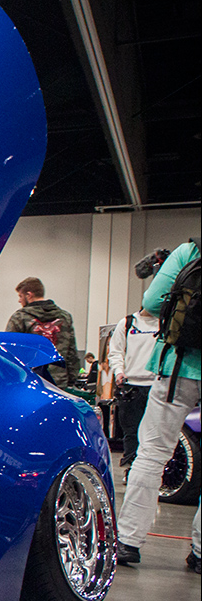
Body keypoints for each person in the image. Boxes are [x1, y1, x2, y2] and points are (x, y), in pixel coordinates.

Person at [116, 240, 200, 573]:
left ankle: (128, 541)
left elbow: (151, 302)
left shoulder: (190, 252)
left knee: (151, 453)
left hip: (176, 367)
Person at [106, 306, 159, 480]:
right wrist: (118, 372)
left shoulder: (164, 323)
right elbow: (116, 352)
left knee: (155, 433)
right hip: (132, 386)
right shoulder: (128, 324)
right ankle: (132, 470)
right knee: (132, 432)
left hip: (157, 385)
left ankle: (153, 473)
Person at [5, 277, 79, 388]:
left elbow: (9, 352)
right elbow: (71, 353)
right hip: (59, 381)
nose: (19, 300)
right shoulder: (65, 317)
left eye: (20, 296)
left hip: (30, 381)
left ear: (29, 295)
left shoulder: (20, 317)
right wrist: (72, 381)